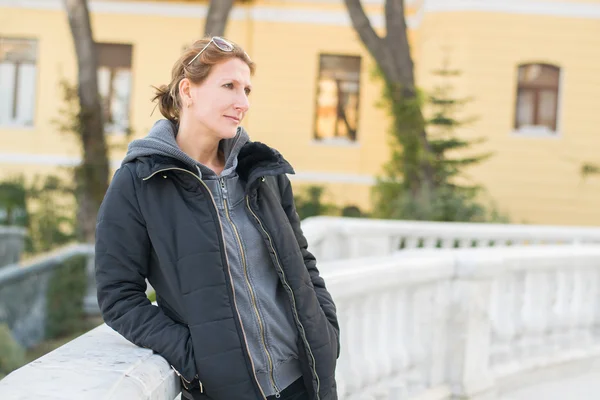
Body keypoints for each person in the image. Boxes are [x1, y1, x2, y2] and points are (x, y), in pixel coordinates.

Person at [95, 36, 340, 400]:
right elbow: (118, 295)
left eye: (247, 90)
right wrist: (197, 357)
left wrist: (325, 327)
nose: (242, 103)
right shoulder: (140, 181)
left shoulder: (262, 170)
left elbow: (301, 261)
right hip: (226, 389)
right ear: (188, 90)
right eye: (228, 86)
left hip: (304, 381)